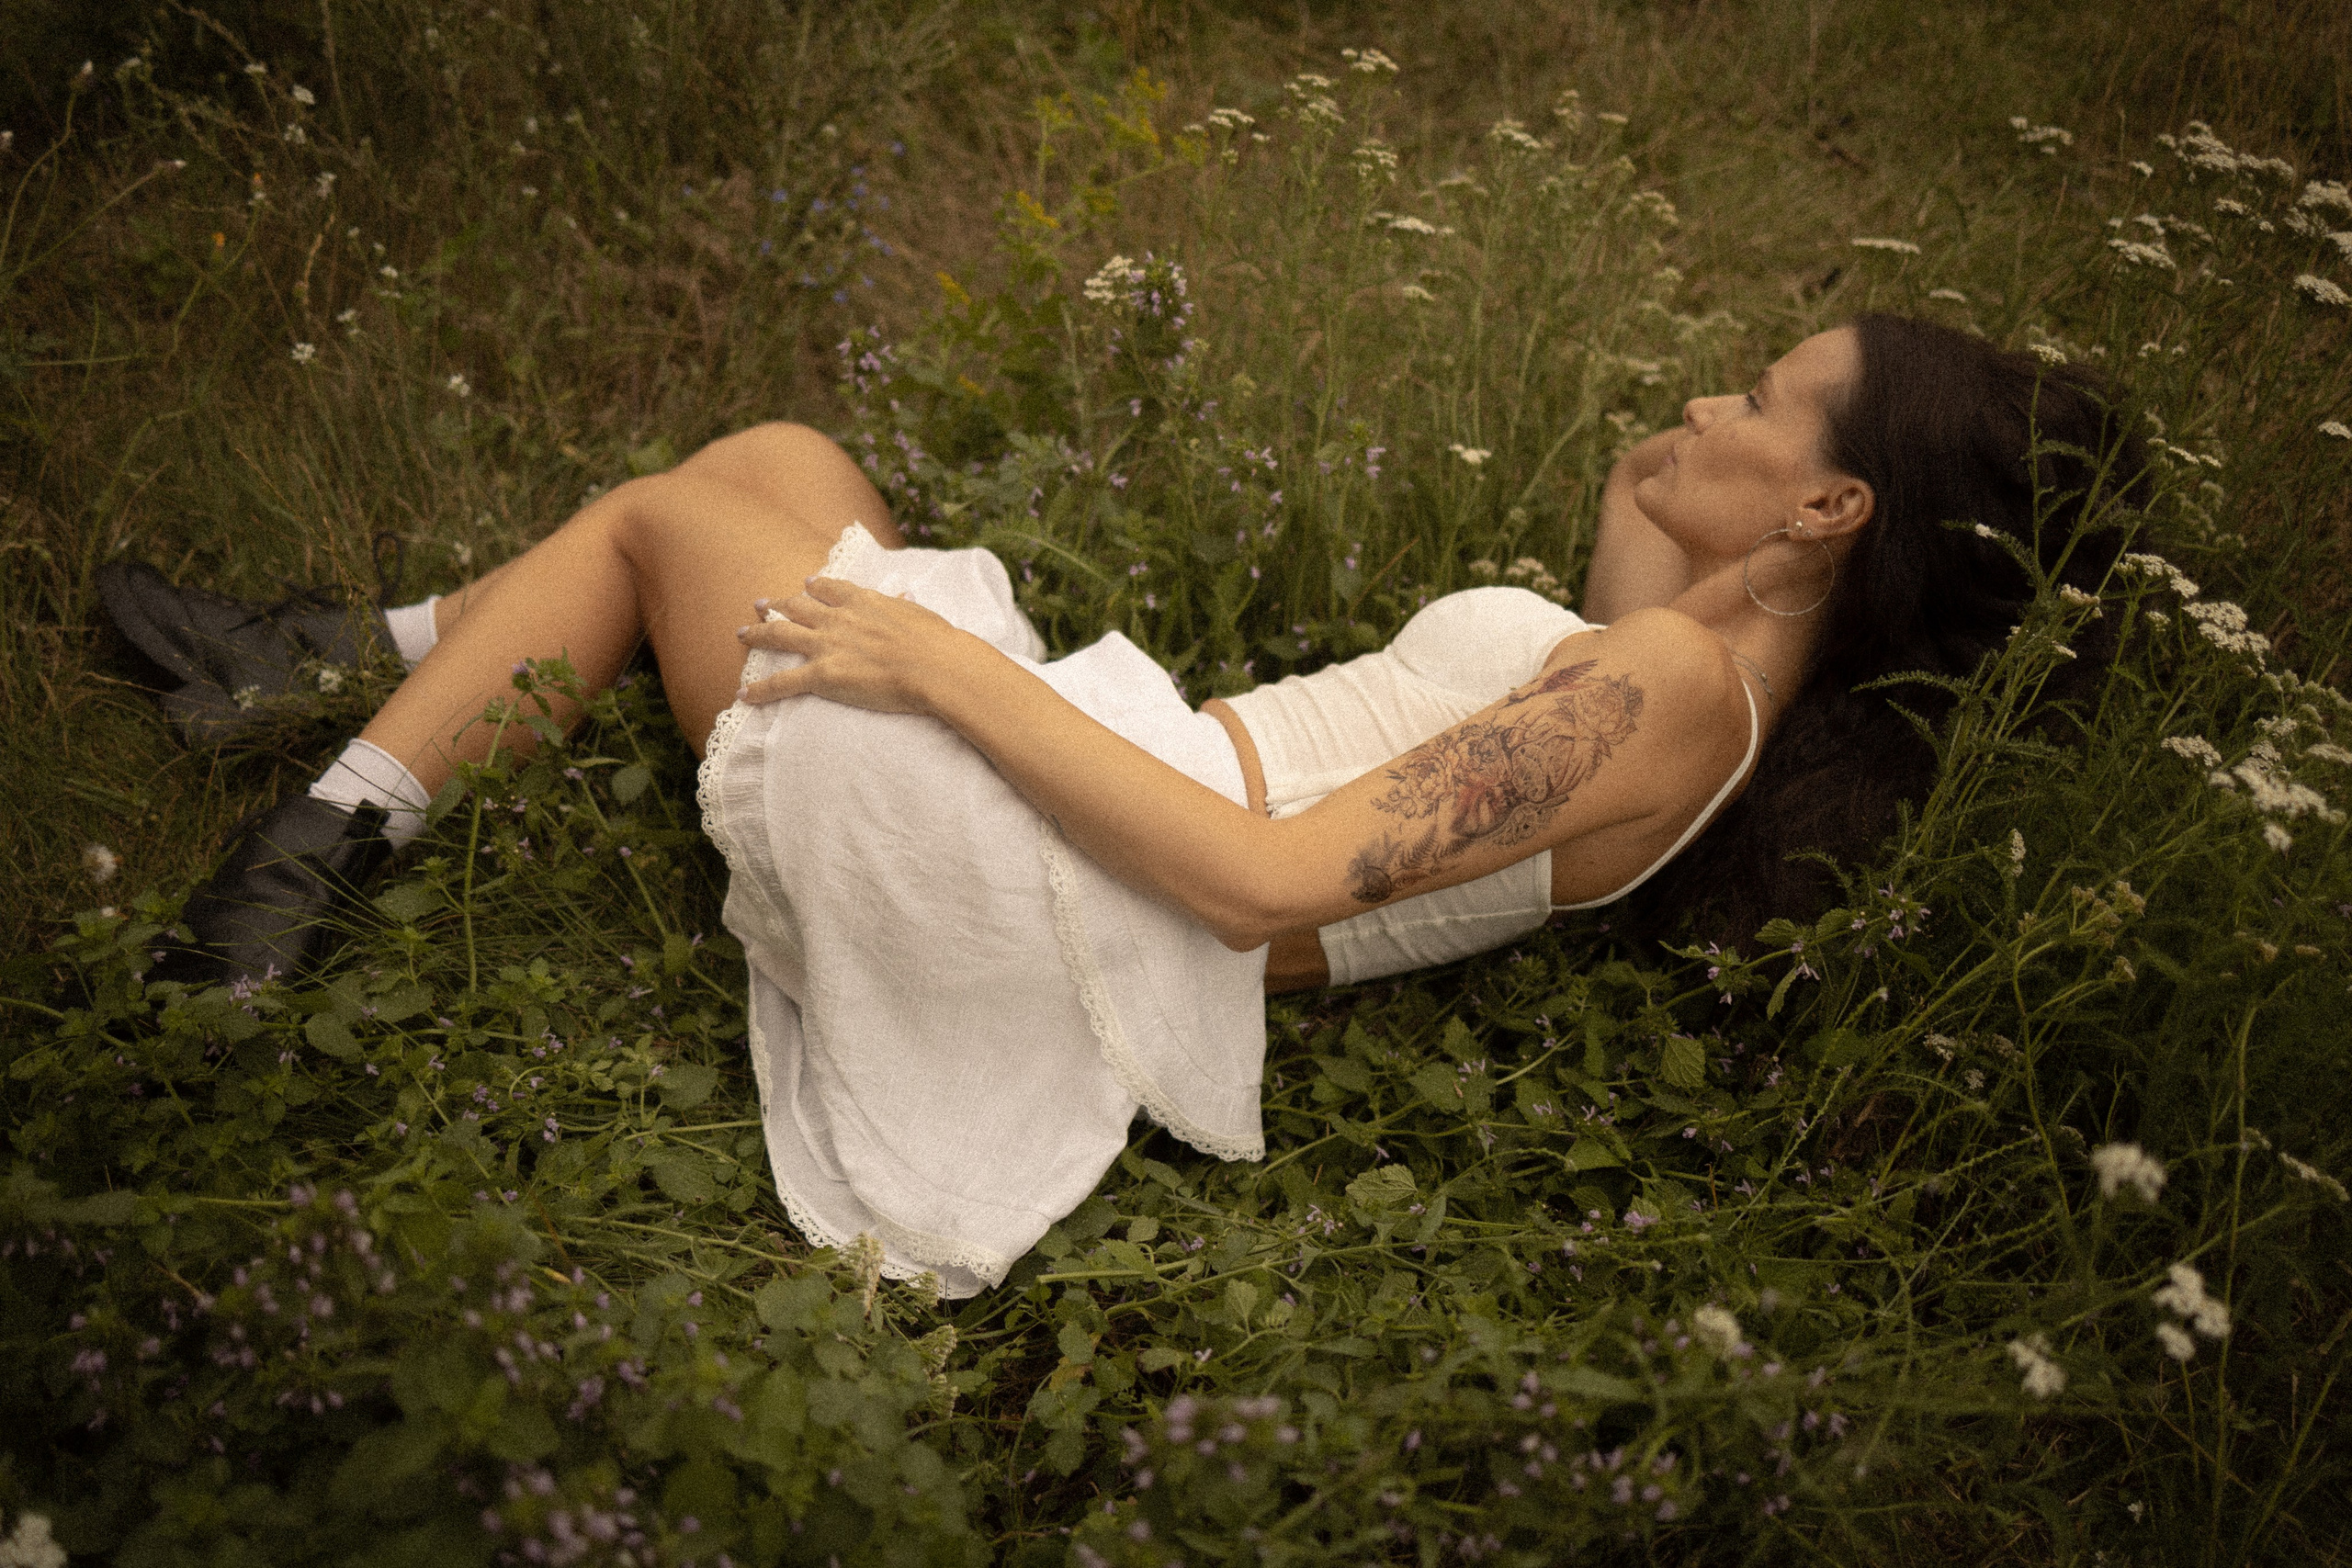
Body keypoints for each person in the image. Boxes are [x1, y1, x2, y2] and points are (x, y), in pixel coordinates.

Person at [98, 313, 2137, 1294]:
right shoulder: (1695, 674)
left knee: (670, 520)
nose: (1699, 397)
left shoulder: (1667, 681)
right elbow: (1613, 592)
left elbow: (1257, 884)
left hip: (1076, 883)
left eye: (1756, 396)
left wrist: (951, 672)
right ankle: (319, 656)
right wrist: (1692, 485)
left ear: (1826, 502)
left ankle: (296, 859)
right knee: (789, 458)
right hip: (1099, 831)